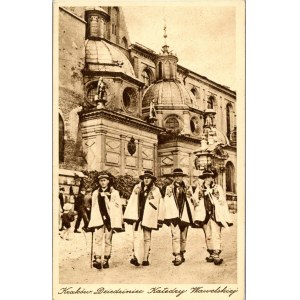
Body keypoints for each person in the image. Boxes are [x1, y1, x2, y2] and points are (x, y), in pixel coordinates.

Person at [123, 170, 164, 267]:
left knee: (147, 237)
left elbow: (159, 204)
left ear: (152, 180)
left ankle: (145, 258)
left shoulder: (155, 190)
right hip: (137, 216)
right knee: (136, 236)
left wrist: (159, 218)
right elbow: (132, 201)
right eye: (145, 178)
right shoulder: (137, 188)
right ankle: (136, 257)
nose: (146, 180)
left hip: (148, 216)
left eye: (148, 178)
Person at [193, 168, 233, 265]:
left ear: (212, 178)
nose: (208, 179)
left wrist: (216, 196)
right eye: (206, 177)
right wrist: (198, 197)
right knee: (208, 235)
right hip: (204, 215)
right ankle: (210, 252)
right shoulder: (199, 188)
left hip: (215, 214)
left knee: (216, 234)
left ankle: (216, 254)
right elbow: (194, 200)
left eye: (210, 177)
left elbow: (222, 201)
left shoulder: (217, 187)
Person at [87, 172, 123, 269]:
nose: (102, 183)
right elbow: (93, 207)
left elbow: (117, 207)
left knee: (108, 240)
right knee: (98, 240)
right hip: (98, 219)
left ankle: (106, 259)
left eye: (104, 180)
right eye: (101, 181)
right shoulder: (95, 193)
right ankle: (98, 260)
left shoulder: (114, 193)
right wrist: (92, 221)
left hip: (109, 220)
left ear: (108, 181)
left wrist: (108, 198)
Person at [163, 168, 194, 266]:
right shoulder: (169, 188)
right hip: (174, 215)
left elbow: (191, 200)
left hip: (184, 214)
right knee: (175, 236)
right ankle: (177, 255)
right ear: (173, 178)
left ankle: (182, 252)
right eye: (175, 176)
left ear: (182, 177)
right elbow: (166, 201)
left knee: (183, 237)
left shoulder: (187, 187)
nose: (177, 178)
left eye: (179, 176)